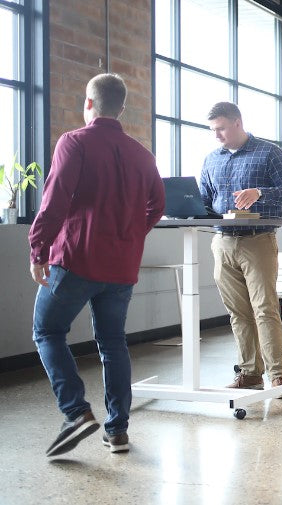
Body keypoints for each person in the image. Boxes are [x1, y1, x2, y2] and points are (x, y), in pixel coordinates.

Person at [30, 73, 165, 457]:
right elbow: (158, 204)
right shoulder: (142, 153)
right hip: (121, 267)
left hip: (76, 259)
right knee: (112, 343)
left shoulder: (74, 141)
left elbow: (55, 201)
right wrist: (131, 233)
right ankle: (117, 431)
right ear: (122, 107)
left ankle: (76, 412)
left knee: (47, 331)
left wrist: (38, 249)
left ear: (89, 103)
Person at [200, 102, 282, 390]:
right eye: (212, 130)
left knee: (265, 309)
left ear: (238, 123)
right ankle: (250, 373)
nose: (216, 135)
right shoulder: (211, 159)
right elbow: (205, 201)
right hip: (222, 242)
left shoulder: (269, 153)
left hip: (258, 241)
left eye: (221, 128)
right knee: (238, 313)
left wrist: (260, 193)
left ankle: (277, 374)